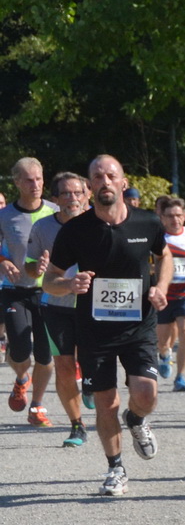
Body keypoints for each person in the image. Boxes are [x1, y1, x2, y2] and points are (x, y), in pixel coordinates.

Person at [43, 155, 174, 496]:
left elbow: (165, 256)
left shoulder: (147, 223)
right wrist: (69, 285)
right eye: (97, 177)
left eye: (111, 176)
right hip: (94, 330)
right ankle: (116, 468)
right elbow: (49, 280)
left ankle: (137, 419)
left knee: (146, 394)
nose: (105, 182)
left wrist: (161, 286)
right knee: (106, 403)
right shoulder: (75, 230)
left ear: (123, 182)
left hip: (139, 325)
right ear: (89, 187)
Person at [25, 171, 88, 446]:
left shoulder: (99, 224)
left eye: (77, 193)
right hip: (56, 306)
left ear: (86, 196)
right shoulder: (42, 227)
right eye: (65, 193)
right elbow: (29, 266)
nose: (72, 198)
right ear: (55, 199)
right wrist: (36, 268)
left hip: (92, 306)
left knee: (92, 363)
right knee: (63, 367)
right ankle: (77, 425)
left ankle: (91, 383)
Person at [2, 157, 60, 427]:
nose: (35, 184)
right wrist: (3, 262)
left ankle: (36, 405)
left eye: (39, 179)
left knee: (46, 355)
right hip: (15, 290)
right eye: (28, 180)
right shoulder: (5, 216)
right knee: (20, 352)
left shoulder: (54, 211)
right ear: (17, 182)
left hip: (48, 291)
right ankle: (22, 377)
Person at [154, 195, 185, 391]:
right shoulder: (157, 237)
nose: (175, 219)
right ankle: (164, 354)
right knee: (162, 341)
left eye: (178, 215)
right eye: (170, 216)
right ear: (163, 217)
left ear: (184, 216)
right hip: (163, 295)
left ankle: (181, 377)